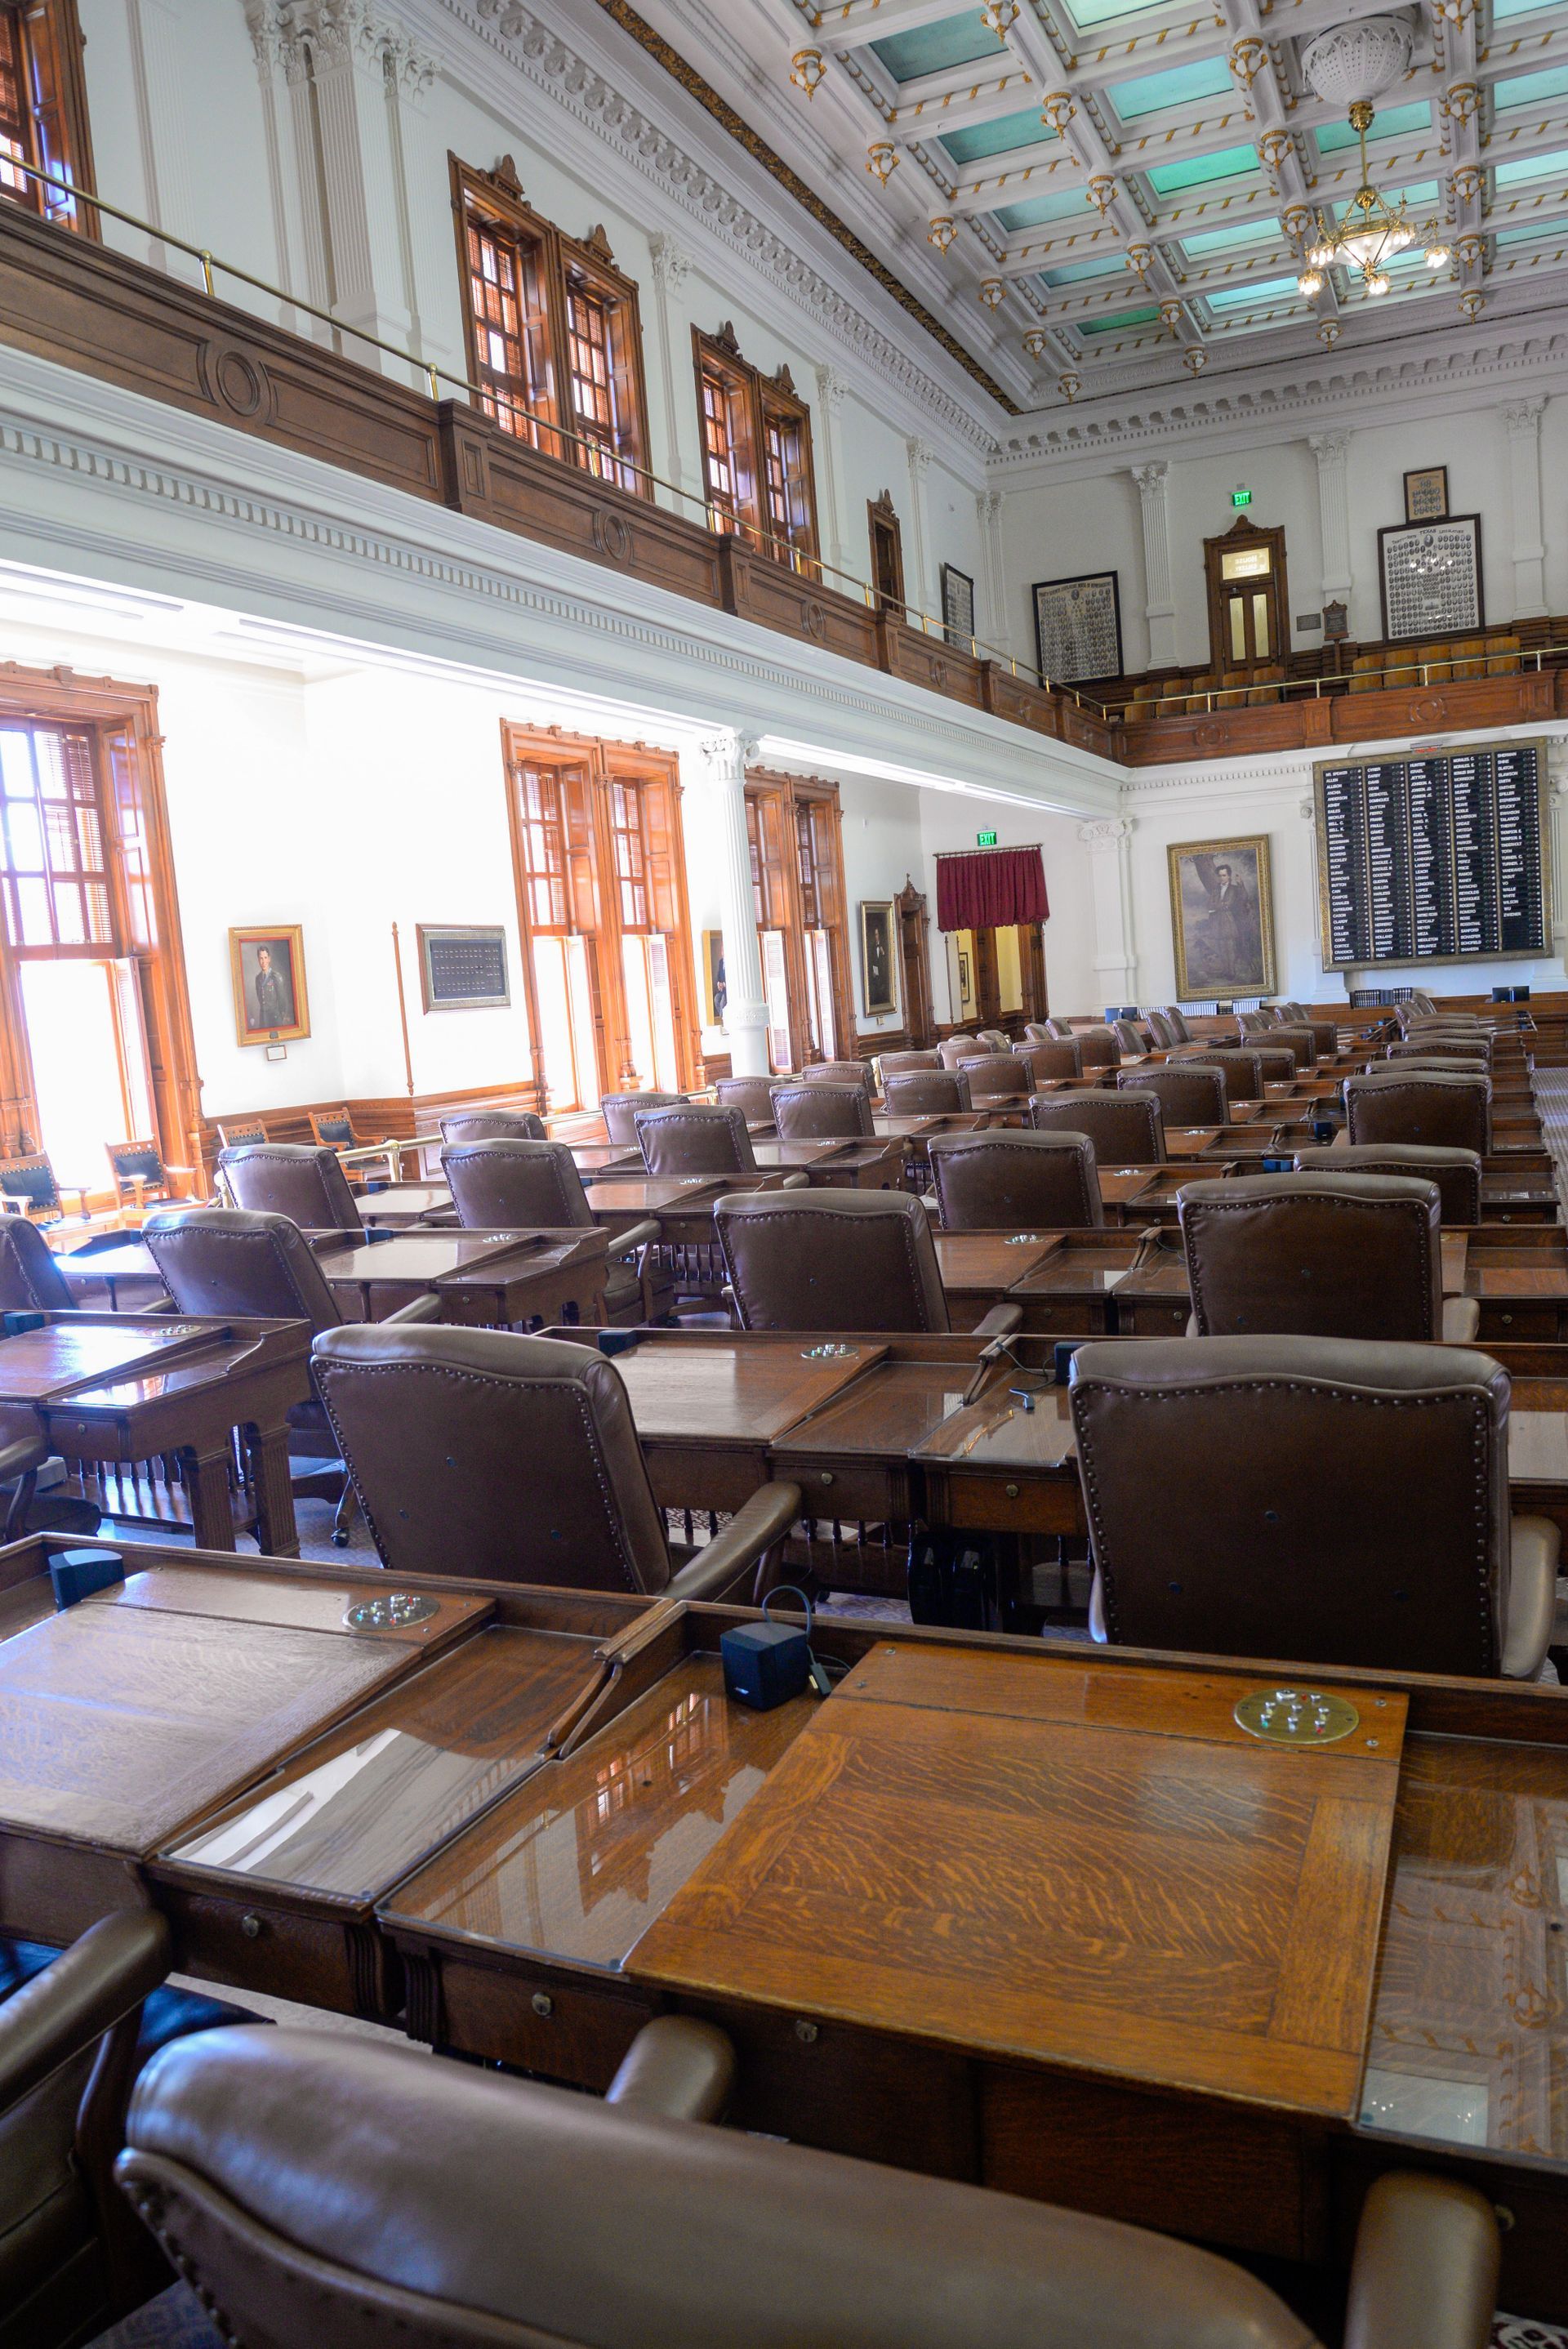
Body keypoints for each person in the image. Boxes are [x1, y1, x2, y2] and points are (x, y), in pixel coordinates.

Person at [1190, 858, 1261, 987]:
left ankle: (1232, 971)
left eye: (1224, 875)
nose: (1222, 878)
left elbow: (1243, 899)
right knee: (1221, 946)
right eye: (1220, 875)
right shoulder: (1215, 890)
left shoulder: (1234, 889)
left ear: (1229, 876)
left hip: (1228, 920)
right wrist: (1220, 905)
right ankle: (1225, 971)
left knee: (1229, 946)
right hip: (1217, 922)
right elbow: (1209, 905)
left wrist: (1241, 885)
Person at [252, 943, 292, 1031]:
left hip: (275, 1017)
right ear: (258, 960)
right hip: (263, 1018)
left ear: (269, 959)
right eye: (261, 958)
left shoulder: (276, 976)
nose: (263, 962)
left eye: (265, 958)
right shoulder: (258, 978)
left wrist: (282, 1015)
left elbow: (282, 999)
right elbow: (260, 998)